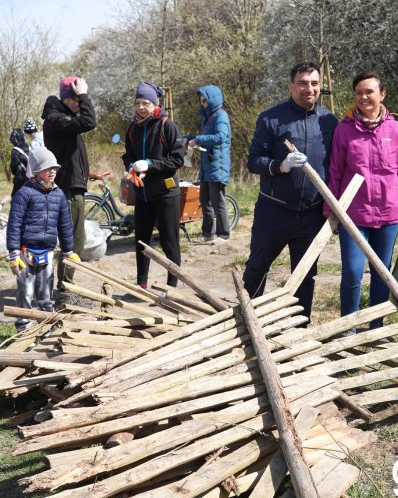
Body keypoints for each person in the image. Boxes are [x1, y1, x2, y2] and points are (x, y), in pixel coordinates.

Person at [242, 62, 339, 321]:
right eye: (303, 83)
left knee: (305, 275)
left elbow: (338, 166)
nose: (310, 88)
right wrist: (279, 166)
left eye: (315, 83)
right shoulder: (271, 119)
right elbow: (253, 161)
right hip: (274, 211)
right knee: (257, 268)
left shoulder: (329, 121)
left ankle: (298, 329)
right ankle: (249, 322)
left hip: (311, 214)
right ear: (291, 86)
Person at [325, 71, 398, 332]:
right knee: (353, 272)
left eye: (369, 92)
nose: (363, 97)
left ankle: (376, 327)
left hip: (389, 214)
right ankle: (349, 328)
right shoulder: (344, 130)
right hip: (354, 215)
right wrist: (330, 211)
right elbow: (335, 172)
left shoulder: (396, 130)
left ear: (382, 95)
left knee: (381, 272)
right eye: (358, 93)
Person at [6, 147, 80, 331]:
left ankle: (47, 329)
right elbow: (14, 224)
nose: (52, 171)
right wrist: (13, 253)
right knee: (26, 293)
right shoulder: (24, 194)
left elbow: (65, 225)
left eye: (54, 168)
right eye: (48, 169)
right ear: (37, 171)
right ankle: (23, 330)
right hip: (25, 253)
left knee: (45, 294)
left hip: (47, 252)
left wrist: (69, 251)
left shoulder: (59, 195)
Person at [122, 82, 185, 288]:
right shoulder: (133, 129)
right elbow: (128, 154)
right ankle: (141, 285)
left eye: (146, 103)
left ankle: (171, 287)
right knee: (141, 241)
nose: (141, 107)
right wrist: (131, 164)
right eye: (138, 103)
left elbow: (177, 160)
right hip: (143, 194)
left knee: (169, 241)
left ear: (155, 104)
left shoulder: (167, 126)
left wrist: (150, 164)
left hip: (166, 192)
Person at [41, 76, 96, 294]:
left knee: (74, 240)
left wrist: (88, 173)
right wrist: (84, 95)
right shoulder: (56, 119)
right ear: (68, 99)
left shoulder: (63, 119)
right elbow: (89, 122)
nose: (80, 105)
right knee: (72, 241)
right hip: (66, 190)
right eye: (77, 100)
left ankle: (64, 285)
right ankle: (65, 288)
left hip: (71, 186)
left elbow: (68, 156)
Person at [188, 85, 232, 243]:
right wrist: (189, 138)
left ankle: (223, 234)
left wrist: (198, 139)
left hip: (217, 165)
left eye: (205, 100)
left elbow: (220, 137)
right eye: (201, 101)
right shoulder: (207, 118)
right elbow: (205, 137)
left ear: (213, 99)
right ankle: (208, 234)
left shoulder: (221, 116)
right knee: (204, 200)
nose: (203, 103)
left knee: (217, 201)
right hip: (207, 166)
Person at [9, 127, 30, 192]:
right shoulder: (29, 147)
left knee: (15, 197)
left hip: (21, 178)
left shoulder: (15, 150)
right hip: (31, 177)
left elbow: (14, 166)